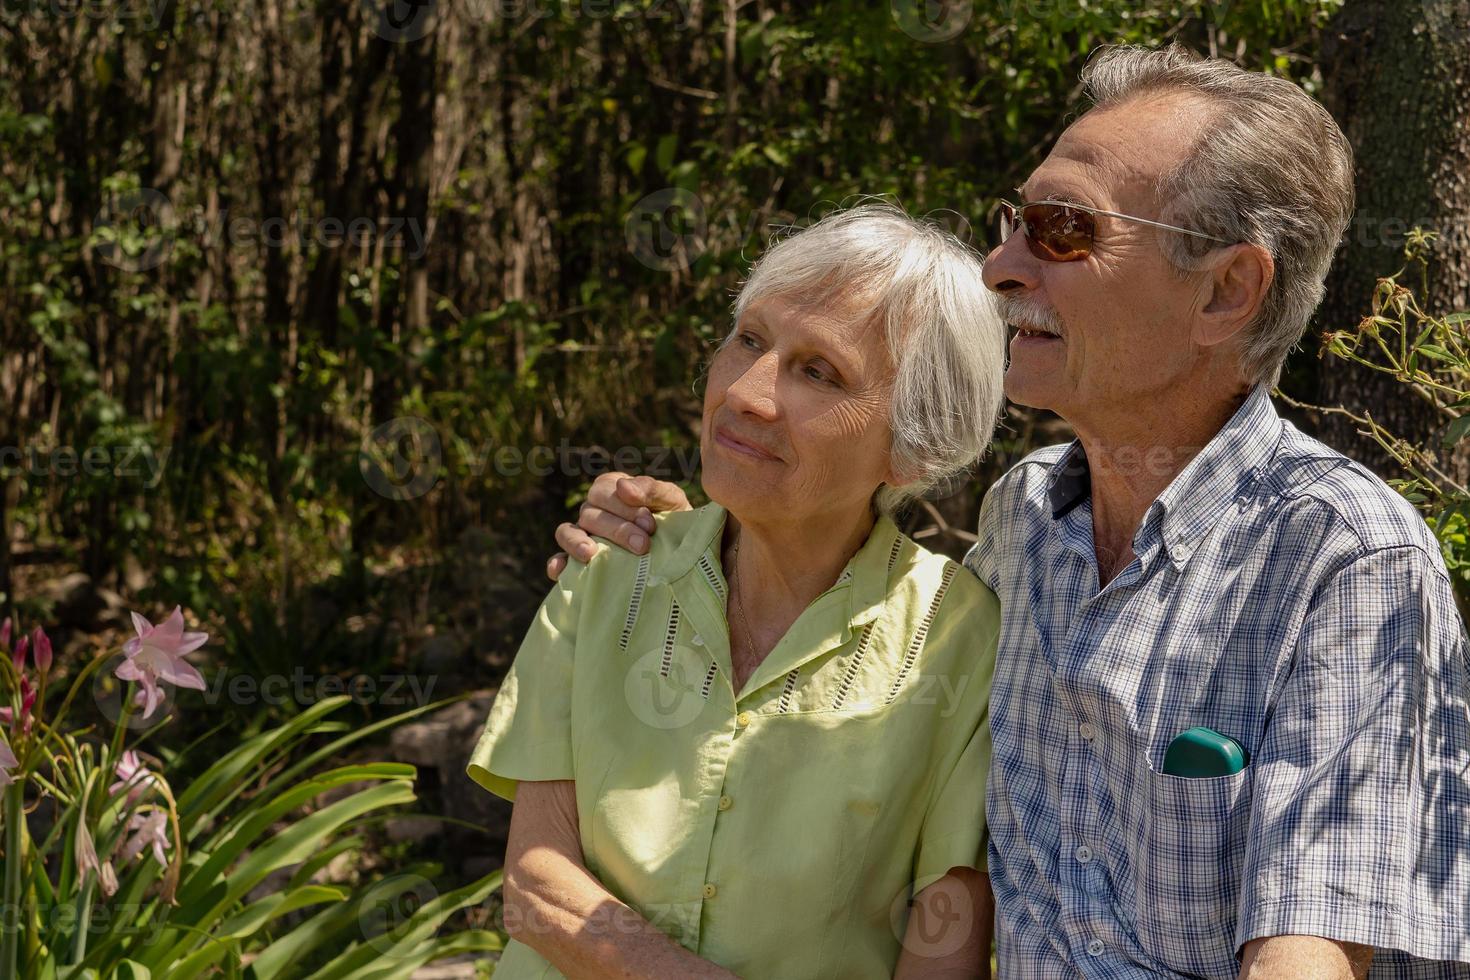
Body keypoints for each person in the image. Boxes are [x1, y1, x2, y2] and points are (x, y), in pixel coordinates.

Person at [549, 45, 1470, 979]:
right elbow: (841, 636)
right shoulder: (1023, 521)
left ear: (1226, 291)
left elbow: (1305, 964)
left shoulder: (1348, 561)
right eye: (1013, 224)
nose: (999, 268)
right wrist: (674, 535)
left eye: (1063, 230)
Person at [469, 203, 1013, 978]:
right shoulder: (613, 561)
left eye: (818, 372)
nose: (748, 394)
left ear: (914, 447)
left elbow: (942, 943)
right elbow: (533, 885)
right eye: (749, 339)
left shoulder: (959, 633)